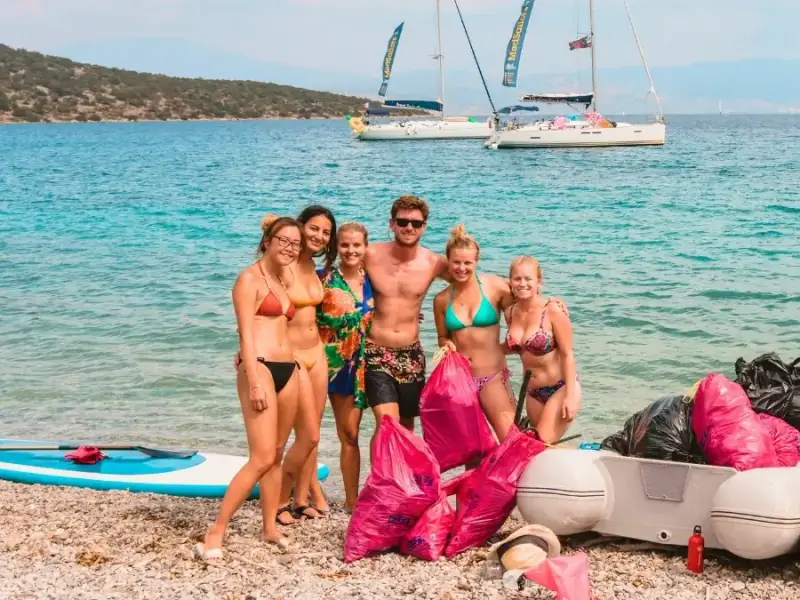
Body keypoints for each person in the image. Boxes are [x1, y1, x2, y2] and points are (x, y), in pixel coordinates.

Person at [196, 216, 304, 562]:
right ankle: (215, 531)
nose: (290, 248)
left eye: (296, 243)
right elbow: (245, 332)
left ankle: (269, 527)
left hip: (289, 369)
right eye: (283, 241)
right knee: (261, 457)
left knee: (276, 453)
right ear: (267, 241)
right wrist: (254, 378)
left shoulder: (284, 278)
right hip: (259, 369)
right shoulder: (249, 278)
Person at [363, 195, 450, 443]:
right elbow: (337, 280)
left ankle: (400, 478)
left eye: (415, 223)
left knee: (407, 426)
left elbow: (469, 283)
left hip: (412, 354)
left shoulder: (434, 262)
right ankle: (381, 480)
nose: (409, 228)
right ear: (392, 224)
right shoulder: (370, 254)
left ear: (424, 226)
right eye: (402, 222)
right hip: (375, 351)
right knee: (387, 423)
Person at [276, 205, 337, 521]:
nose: (319, 236)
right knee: (303, 433)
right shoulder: (282, 266)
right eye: (313, 228)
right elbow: (260, 303)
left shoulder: (314, 269)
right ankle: (278, 500)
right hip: (292, 355)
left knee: (314, 431)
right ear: (300, 227)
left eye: (326, 232)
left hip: (317, 353)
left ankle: (301, 499)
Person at [433, 224, 516, 441]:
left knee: (510, 437)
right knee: (473, 448)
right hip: (461, 381)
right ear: (448, 262)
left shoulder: (494, 286)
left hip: (493, 376)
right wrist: (445, 343)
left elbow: (523, 309)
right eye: (456, 262)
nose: (462, 268)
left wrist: (551, 303)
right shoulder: (441, 299)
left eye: (468, 263)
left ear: (476, 261)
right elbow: (442, 336)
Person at [316, 222, 374, 511]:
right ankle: (304, 493)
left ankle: (353, 501)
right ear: (336, 247)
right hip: (322, 362)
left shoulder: (373, 280)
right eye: (345, 245)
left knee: (350, 433)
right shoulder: (322, 278)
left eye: (356, 245)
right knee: (308, 432)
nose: (351, 250)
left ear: (366, 247)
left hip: (359, 365)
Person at [503, 256, 581, 443]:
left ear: (539, 281)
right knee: (540, 448)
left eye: (528, 279)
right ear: (510, 281)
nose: (522, 284)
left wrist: (570, 396)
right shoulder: (510, 312)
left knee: (541, 444)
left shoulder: (552, 310)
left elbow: (568, 354)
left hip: (560, 388)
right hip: (533, 393)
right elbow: (514, 348)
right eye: (517, 279)